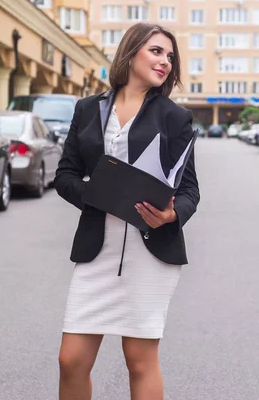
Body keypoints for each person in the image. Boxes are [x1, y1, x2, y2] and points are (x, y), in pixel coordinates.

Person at [54, 22, 200, 400]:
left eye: (170, 56)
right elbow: (66, 174)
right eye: (155, 51)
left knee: (139, 360)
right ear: (131, 52)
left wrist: (171, 215)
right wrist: (95, 194)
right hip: (95, 249)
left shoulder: (175, 117)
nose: (165, 61)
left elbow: (188, 190)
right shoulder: (88, 109)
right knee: (70, 360)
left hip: (149, 251)